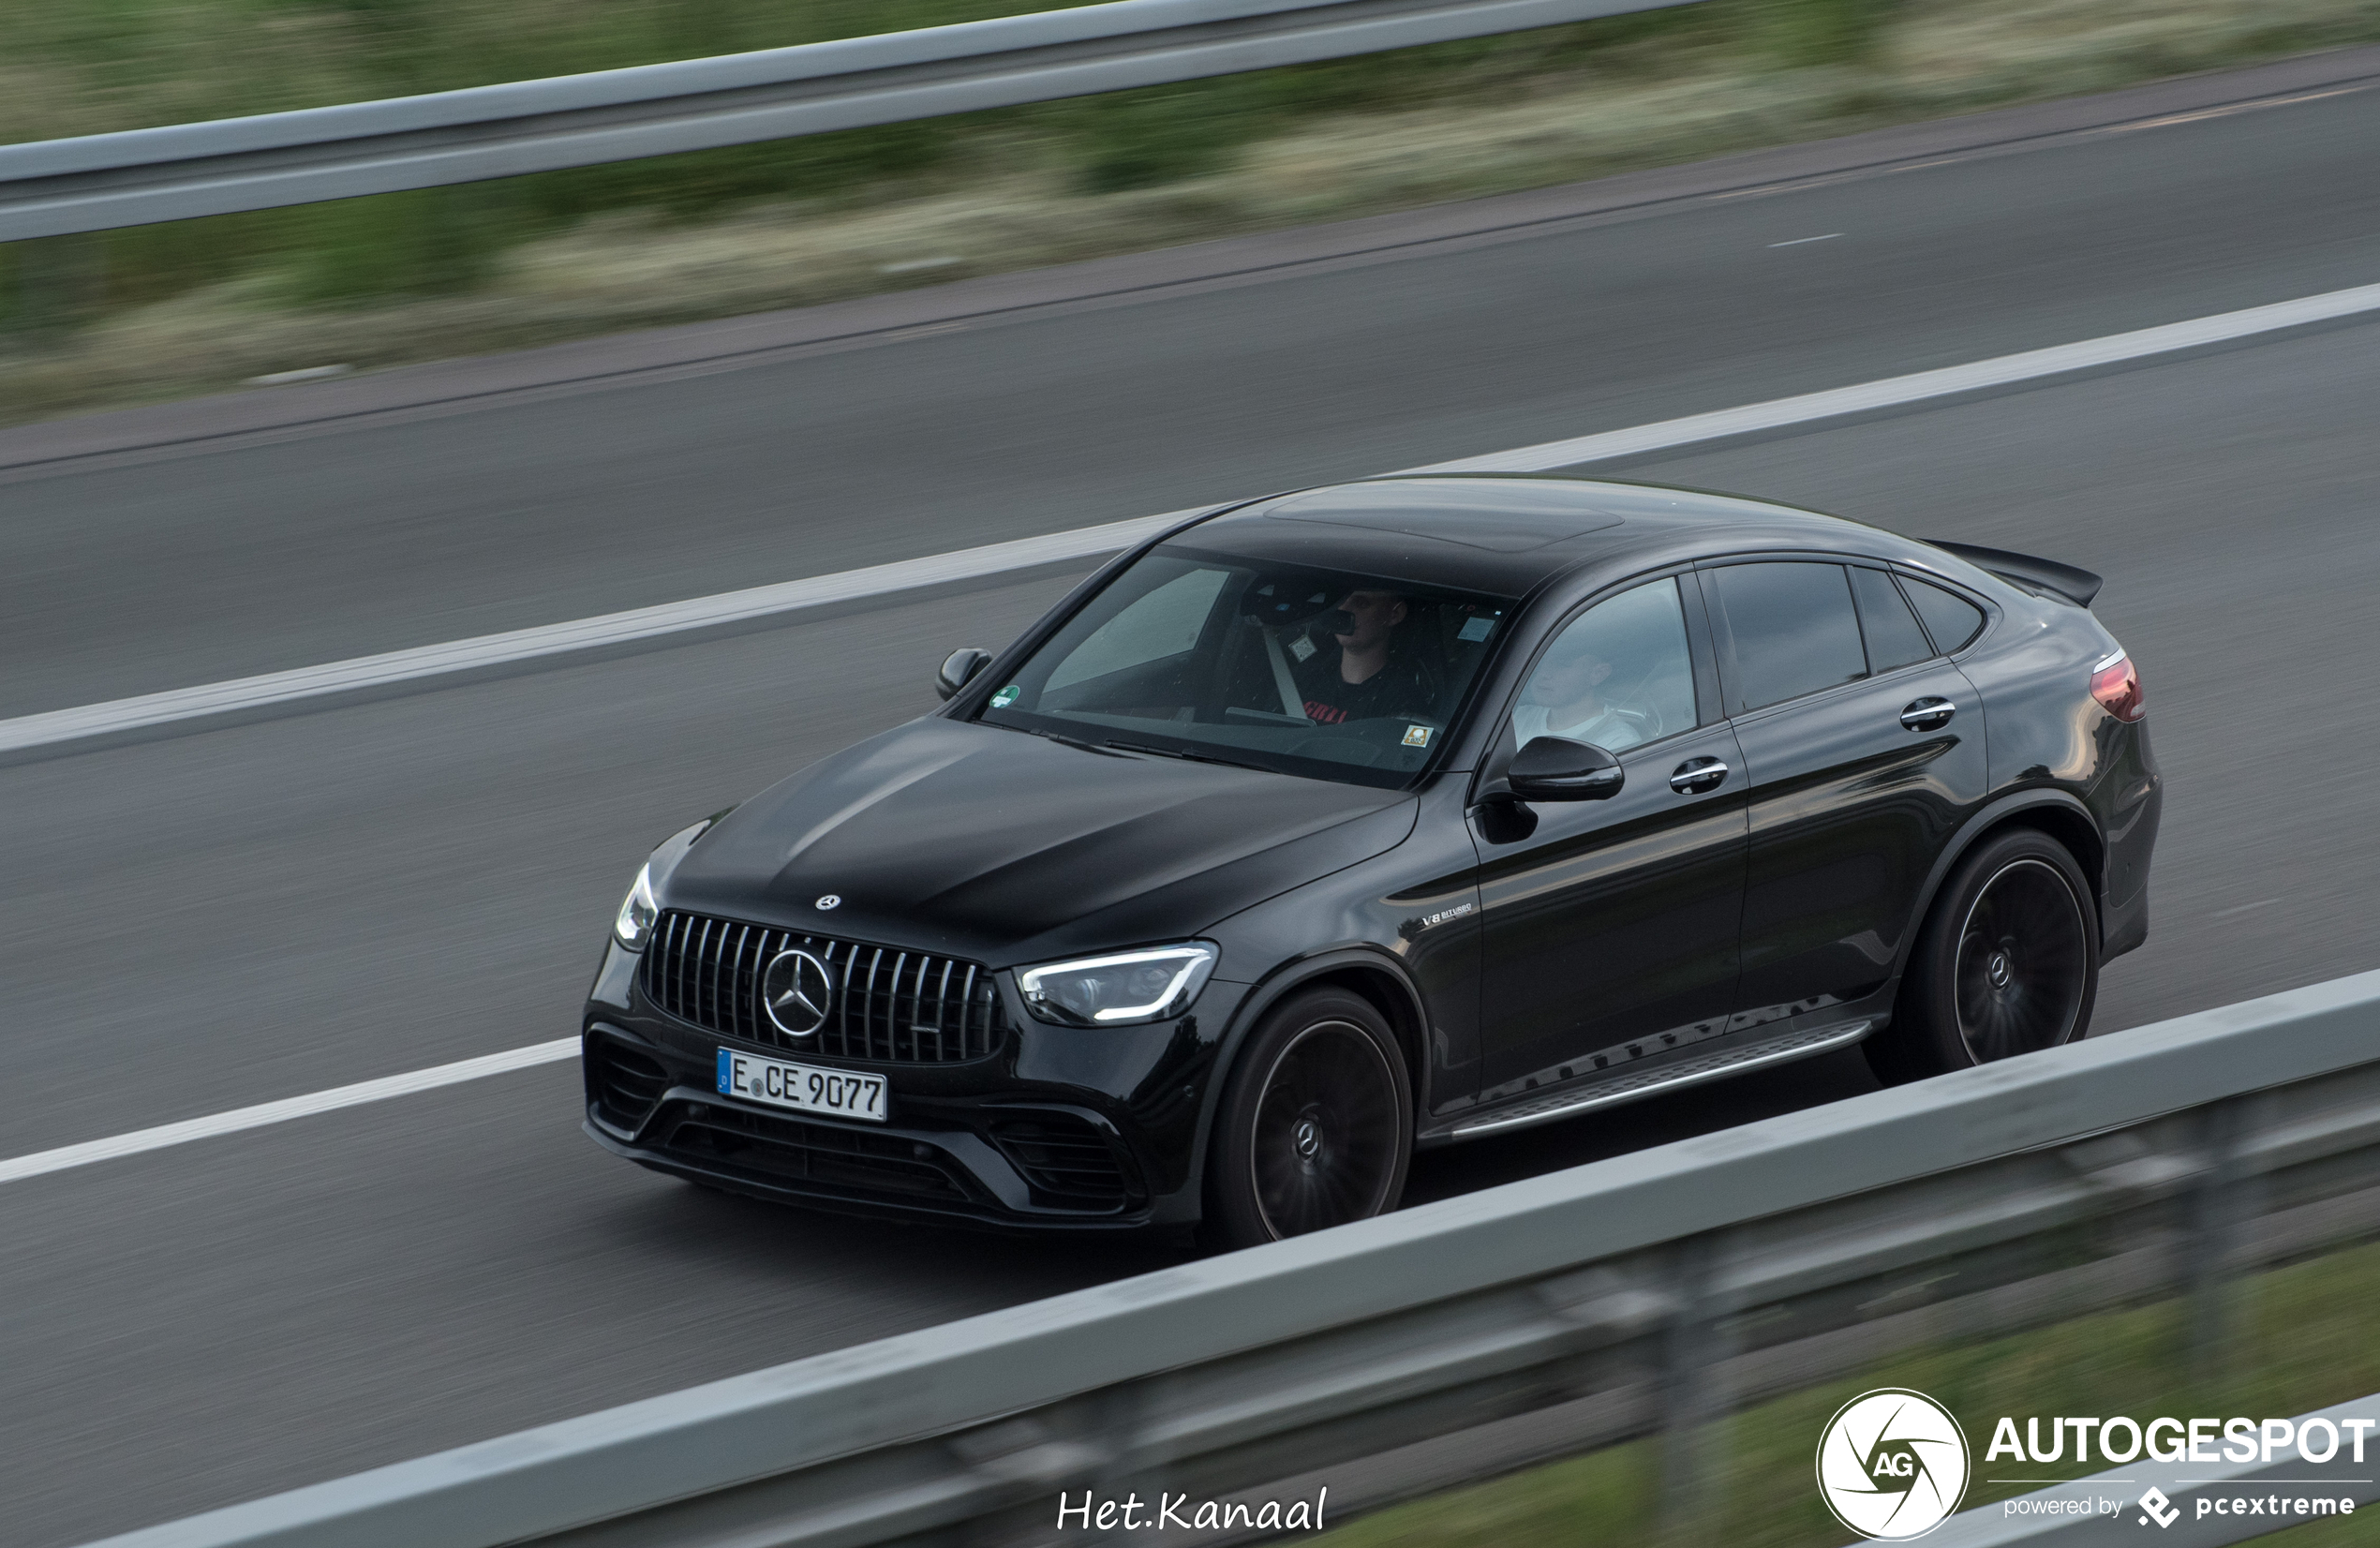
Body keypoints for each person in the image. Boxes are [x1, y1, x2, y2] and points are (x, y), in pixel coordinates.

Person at [1290, 589, 1437, 724]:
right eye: (1338, 601)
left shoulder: (1402, 700)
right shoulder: (1303, 679)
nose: (1343, 610)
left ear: (1395, 614)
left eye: (1361, 604)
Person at [1511, 639, 1645, 752]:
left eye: (1562, 664)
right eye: (1540, 661)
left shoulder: (1617, 742)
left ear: (1598, 674)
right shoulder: (1516, 718)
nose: (1544, 673)